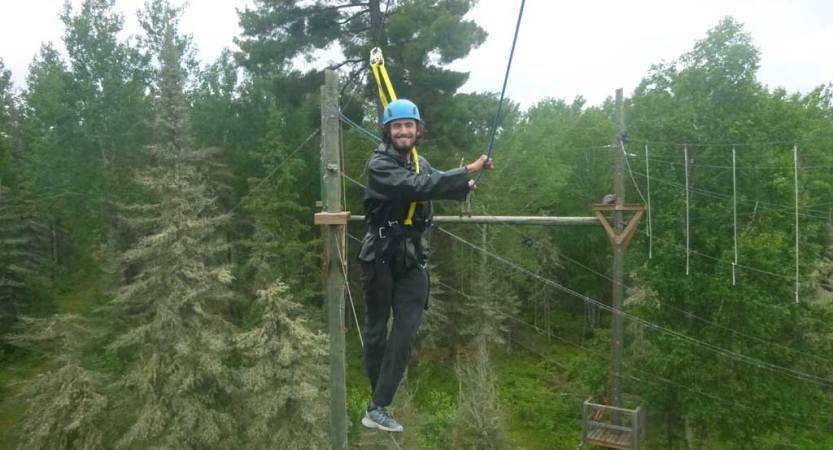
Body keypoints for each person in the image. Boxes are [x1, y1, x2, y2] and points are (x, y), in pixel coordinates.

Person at [357, 98, 494, 432]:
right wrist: (468, 170)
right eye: (397, 126)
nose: (404, 131)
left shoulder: (422, 163)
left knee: (405, 332)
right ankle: (377, 399)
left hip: (410, 258)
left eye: (409, 126)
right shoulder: (379, 165)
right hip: (381, 256)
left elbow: (433, 180)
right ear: (388, 132)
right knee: (376, 332)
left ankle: (379, 406)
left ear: (418, 130)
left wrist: (463, 186)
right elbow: (415, 187)